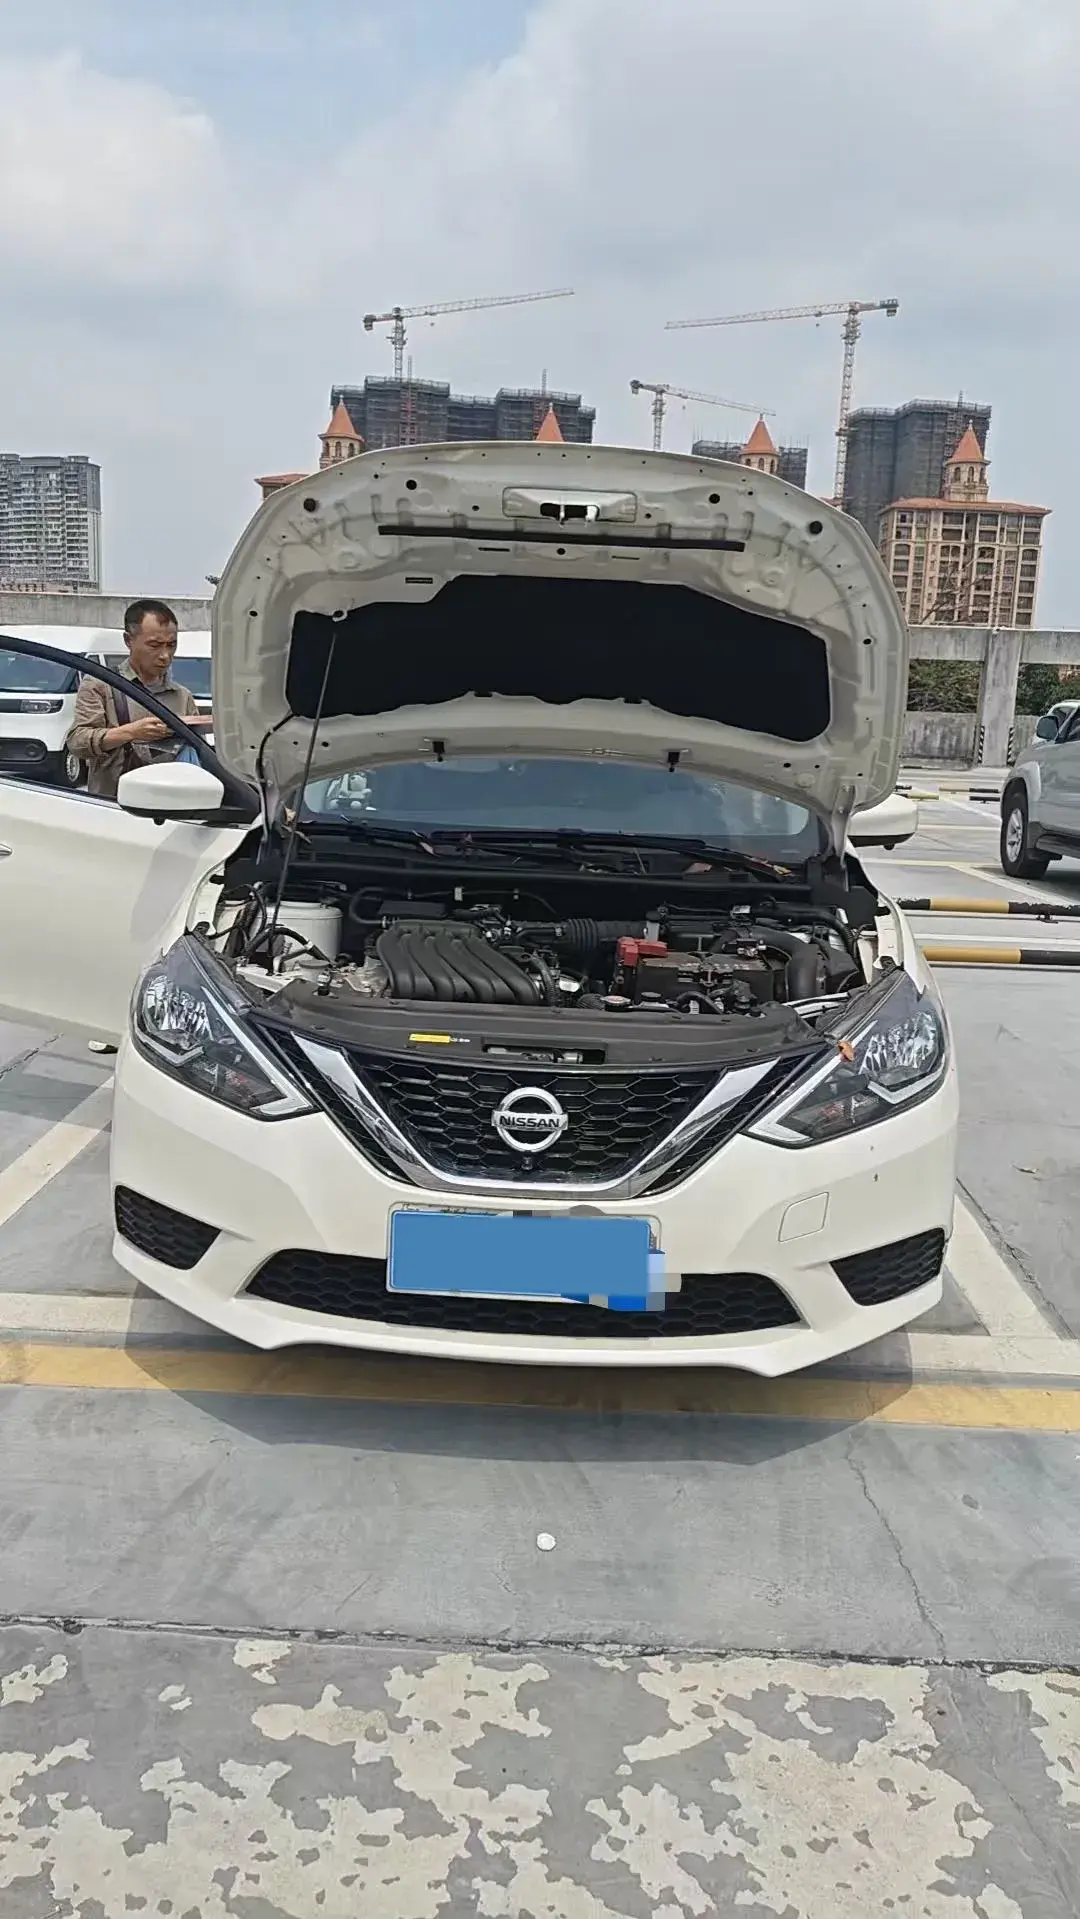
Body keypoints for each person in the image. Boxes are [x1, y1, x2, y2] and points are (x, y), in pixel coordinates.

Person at [67, 598, 210, 801]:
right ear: (128, 640)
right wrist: (131, 732)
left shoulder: (181, 696)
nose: (165, 655)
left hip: (171, 805)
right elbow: (77, 742)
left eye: (171, 645)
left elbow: (199, 752)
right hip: (114, 805)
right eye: (155, 645)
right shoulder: (102, 685)